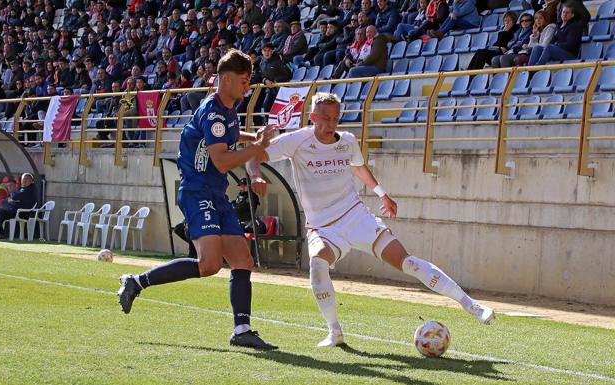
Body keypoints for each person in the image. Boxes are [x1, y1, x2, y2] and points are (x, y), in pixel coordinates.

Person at [247, 93, 495, 347]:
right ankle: (335, 331)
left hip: (356, 217)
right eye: (324, 118)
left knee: (407, 262)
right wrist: (256, 176)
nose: (331, 124)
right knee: (318, 264)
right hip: (323, 227)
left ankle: (472, 305)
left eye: (335, 118)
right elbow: (254, 155)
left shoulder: (348, 141)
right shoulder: (296, 141)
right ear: (312, 117)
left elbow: (358, 167)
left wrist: (382, 194)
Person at [117, 50, 278, 350]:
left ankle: (242, 329)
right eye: (244, 82)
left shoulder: (227, 110)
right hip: (197, 191)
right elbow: (221, 161)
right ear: (226, 79)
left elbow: (228, 137)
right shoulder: (214, 111)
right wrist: (257, 144)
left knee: (243, 259)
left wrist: (251, 141)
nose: (248, 88)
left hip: (215, 193)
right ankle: (136, 282)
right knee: (209, 264)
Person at [0, 173, 38, 239]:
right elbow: (13, 196)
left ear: (31, 181)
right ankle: (1, 233)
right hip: (14, 210)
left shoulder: (31, 189)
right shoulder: (22, 188)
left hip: (23, 213)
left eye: (26, 179)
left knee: (1, 212)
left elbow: (15, 196)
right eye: (23, 179)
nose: (24, 181)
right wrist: (14, 199)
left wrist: (14, 199)